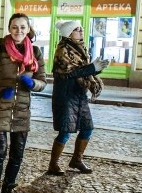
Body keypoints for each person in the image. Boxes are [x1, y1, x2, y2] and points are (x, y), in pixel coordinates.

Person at [0, 12, 46, 193]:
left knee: (17, 153)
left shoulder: (35, 52)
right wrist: (1, 91)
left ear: (28, 29)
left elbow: (43, 82)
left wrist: (32, 83)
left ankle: (8, 192)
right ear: (9, 28)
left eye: (22, 27)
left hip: (22, 110)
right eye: (15, 27)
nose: (18, 31)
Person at [47, 20, 110, 175]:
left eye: (81, 29)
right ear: (69, 33)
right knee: (66, 131)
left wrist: (97, 69)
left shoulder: (80, 48)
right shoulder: (63, 50)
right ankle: (53, 164)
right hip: (66, 96)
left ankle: (77, 159)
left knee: (88, 128)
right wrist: (92, 68)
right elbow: (69, 74)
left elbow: (82, 71)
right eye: (77, 29)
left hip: (79, 94)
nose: (81, 32)